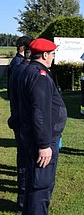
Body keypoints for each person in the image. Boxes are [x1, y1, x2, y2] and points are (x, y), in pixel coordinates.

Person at [17, 38, 67, 214]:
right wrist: (44, 145)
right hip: (43, 141)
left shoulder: (27, 70)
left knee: (34, 183)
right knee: (41, 186)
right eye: (53, 54)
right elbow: (40, 113)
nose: (53, 57)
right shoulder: (40, 75)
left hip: (33, 136)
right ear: (45, 55)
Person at [7, 36, 32, 213]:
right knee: (25, 158)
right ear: (24, 48)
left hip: (19, 117)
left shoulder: (17, 64)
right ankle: (23, 199)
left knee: (23, 156)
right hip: (22, 118)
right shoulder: (19, 66)